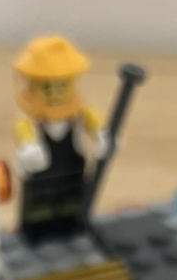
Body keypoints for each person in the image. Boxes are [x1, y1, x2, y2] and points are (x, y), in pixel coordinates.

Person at [12, 35, 108, 243]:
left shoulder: (79, 112)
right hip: (42, 179)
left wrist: (102, 136)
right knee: (39, 210)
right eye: (46, 88)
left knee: (72, 203)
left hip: (72, 172)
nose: (54, 94)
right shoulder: (31, 120)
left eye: (62, 86)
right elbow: (23, 132)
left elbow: (96, 123)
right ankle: (36, 236)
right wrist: (28, 148)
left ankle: (71, 230)